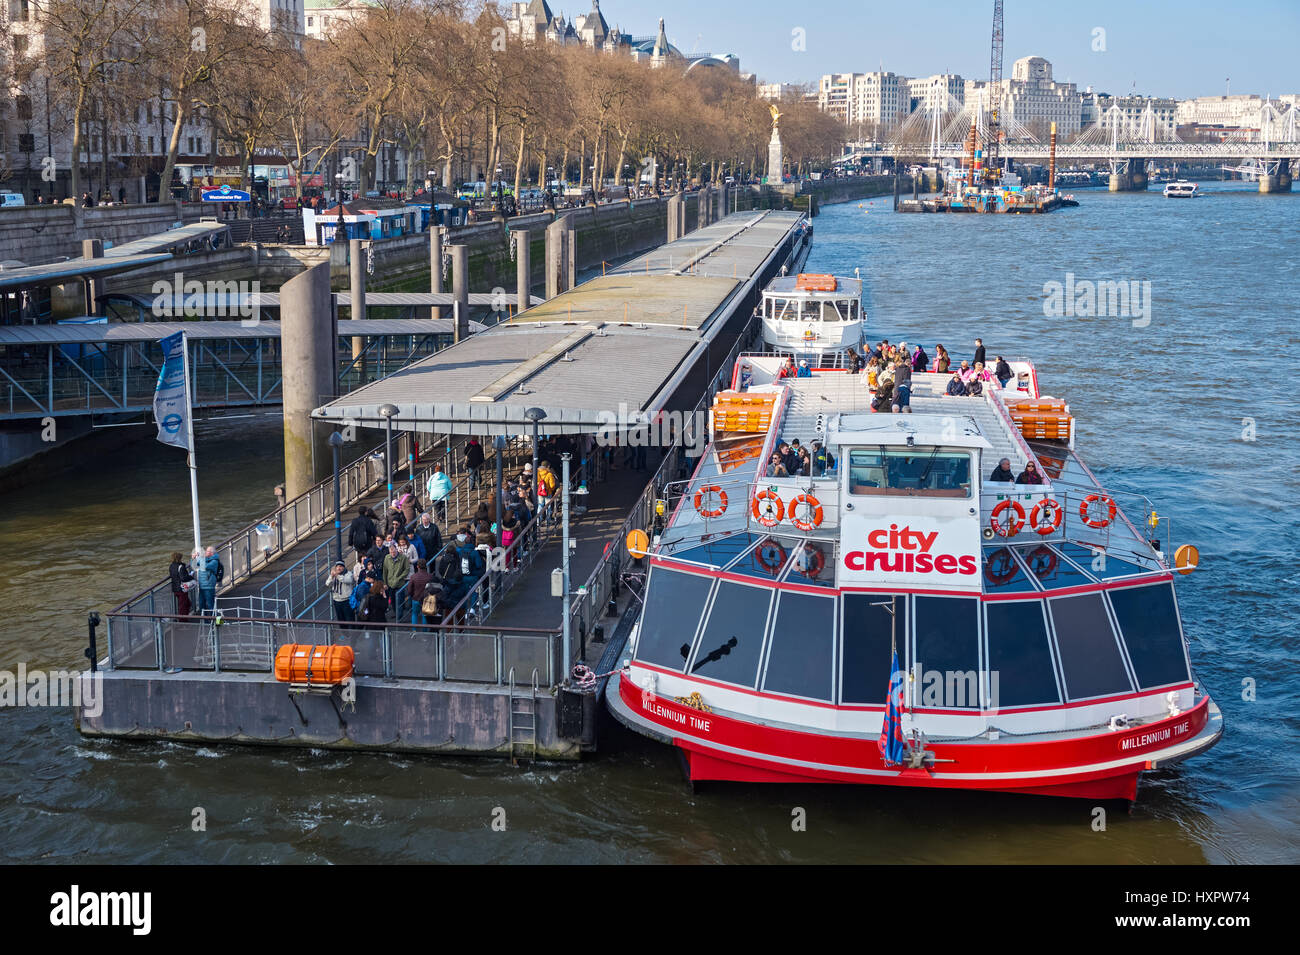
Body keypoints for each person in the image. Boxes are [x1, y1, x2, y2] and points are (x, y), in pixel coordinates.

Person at [191, 546, 222, 614]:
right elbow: (194, 566)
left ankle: (213, 621)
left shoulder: (214, 561)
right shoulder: (205, 559)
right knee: (202, 604)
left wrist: (201, 558)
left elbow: (205, 566)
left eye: (207, 551)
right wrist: (193, 559)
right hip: (202, 585)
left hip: (209, 586)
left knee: (210, 604)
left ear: (211, 553)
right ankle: (205, 621)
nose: (205, 552)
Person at [383, 541, 411, 609]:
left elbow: (407, 569)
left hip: (400, 583)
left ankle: (400, 616)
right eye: (391, 552)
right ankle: (396, 614)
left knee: (400, 600)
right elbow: (385, 571)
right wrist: (385, 583)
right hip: (390, 583)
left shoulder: (403, 557)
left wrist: (399, 578)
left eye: (394, 552)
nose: (392, 554)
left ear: (397, 550)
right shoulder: (387, 557)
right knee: (393, 600)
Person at [406, 559, 433, 624]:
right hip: (426, 599)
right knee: (424, 616)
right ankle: (424, 632)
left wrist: (412, 595)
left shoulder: (413, 576)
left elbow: (409, 589)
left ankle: (414, 631)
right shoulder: (430, 576)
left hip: (416, 598)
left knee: (414, 614)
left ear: (417, 566)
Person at [168, 552, 195, 616]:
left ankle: (185, 616)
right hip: (181, 589)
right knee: (183, 606)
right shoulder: (181, 566)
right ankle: (183, 620)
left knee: (186, 603)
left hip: (175, 588)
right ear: (179, 558)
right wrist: (191, 576)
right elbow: (183, 578)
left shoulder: (171, 566)